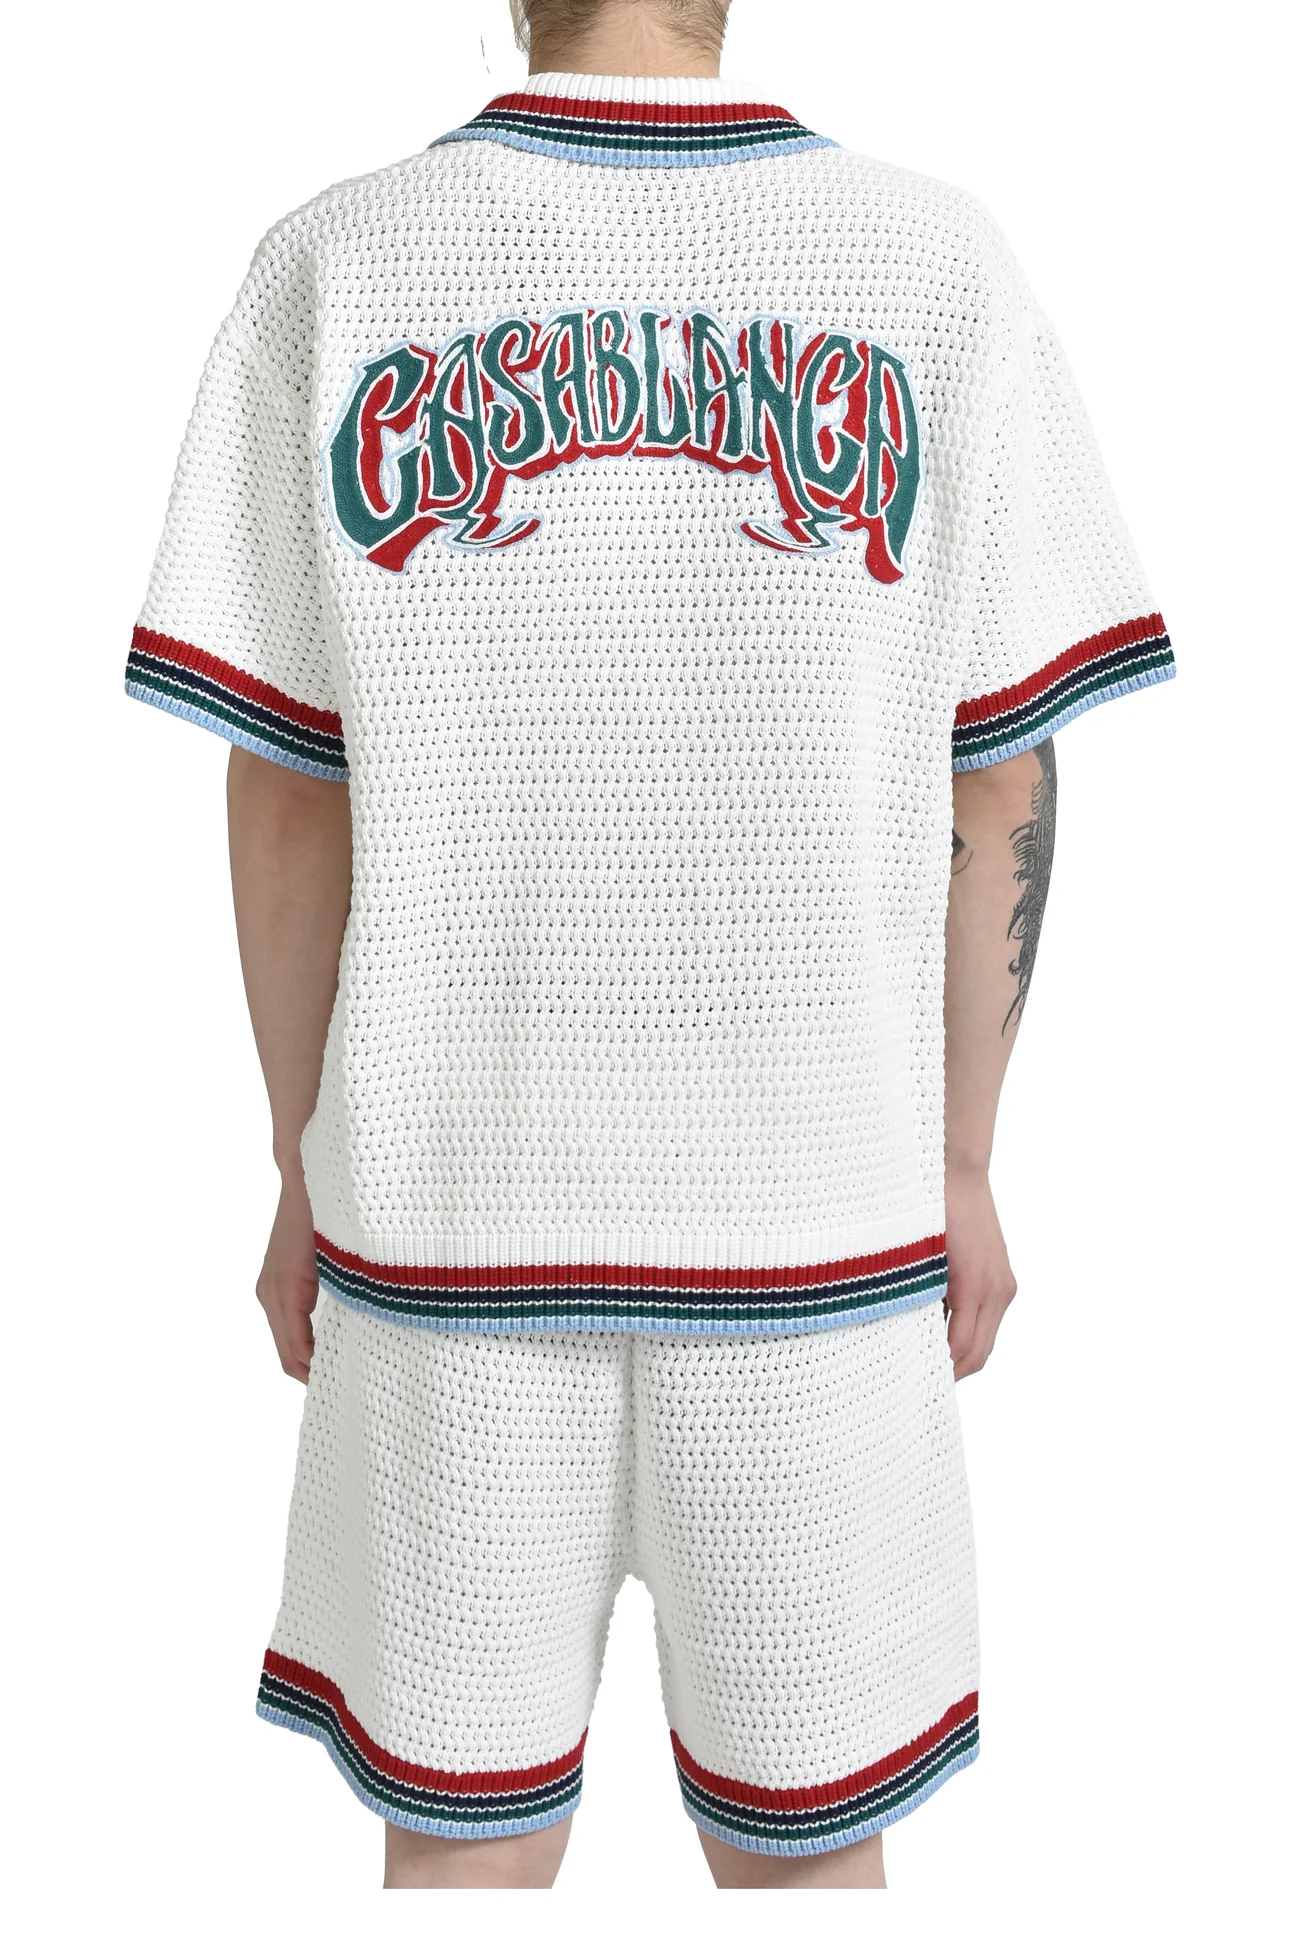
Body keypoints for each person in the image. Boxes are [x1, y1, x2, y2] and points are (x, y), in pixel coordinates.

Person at [124, 0, 1174, 1891]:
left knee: (461, 1863)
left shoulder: (340, 259)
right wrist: (961, 1159)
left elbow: (287, 793)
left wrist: (302, 1166)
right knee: (806, 1871)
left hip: (448, 1231)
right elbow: (1003, 771)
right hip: (819, 1240)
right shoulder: (934, 262)